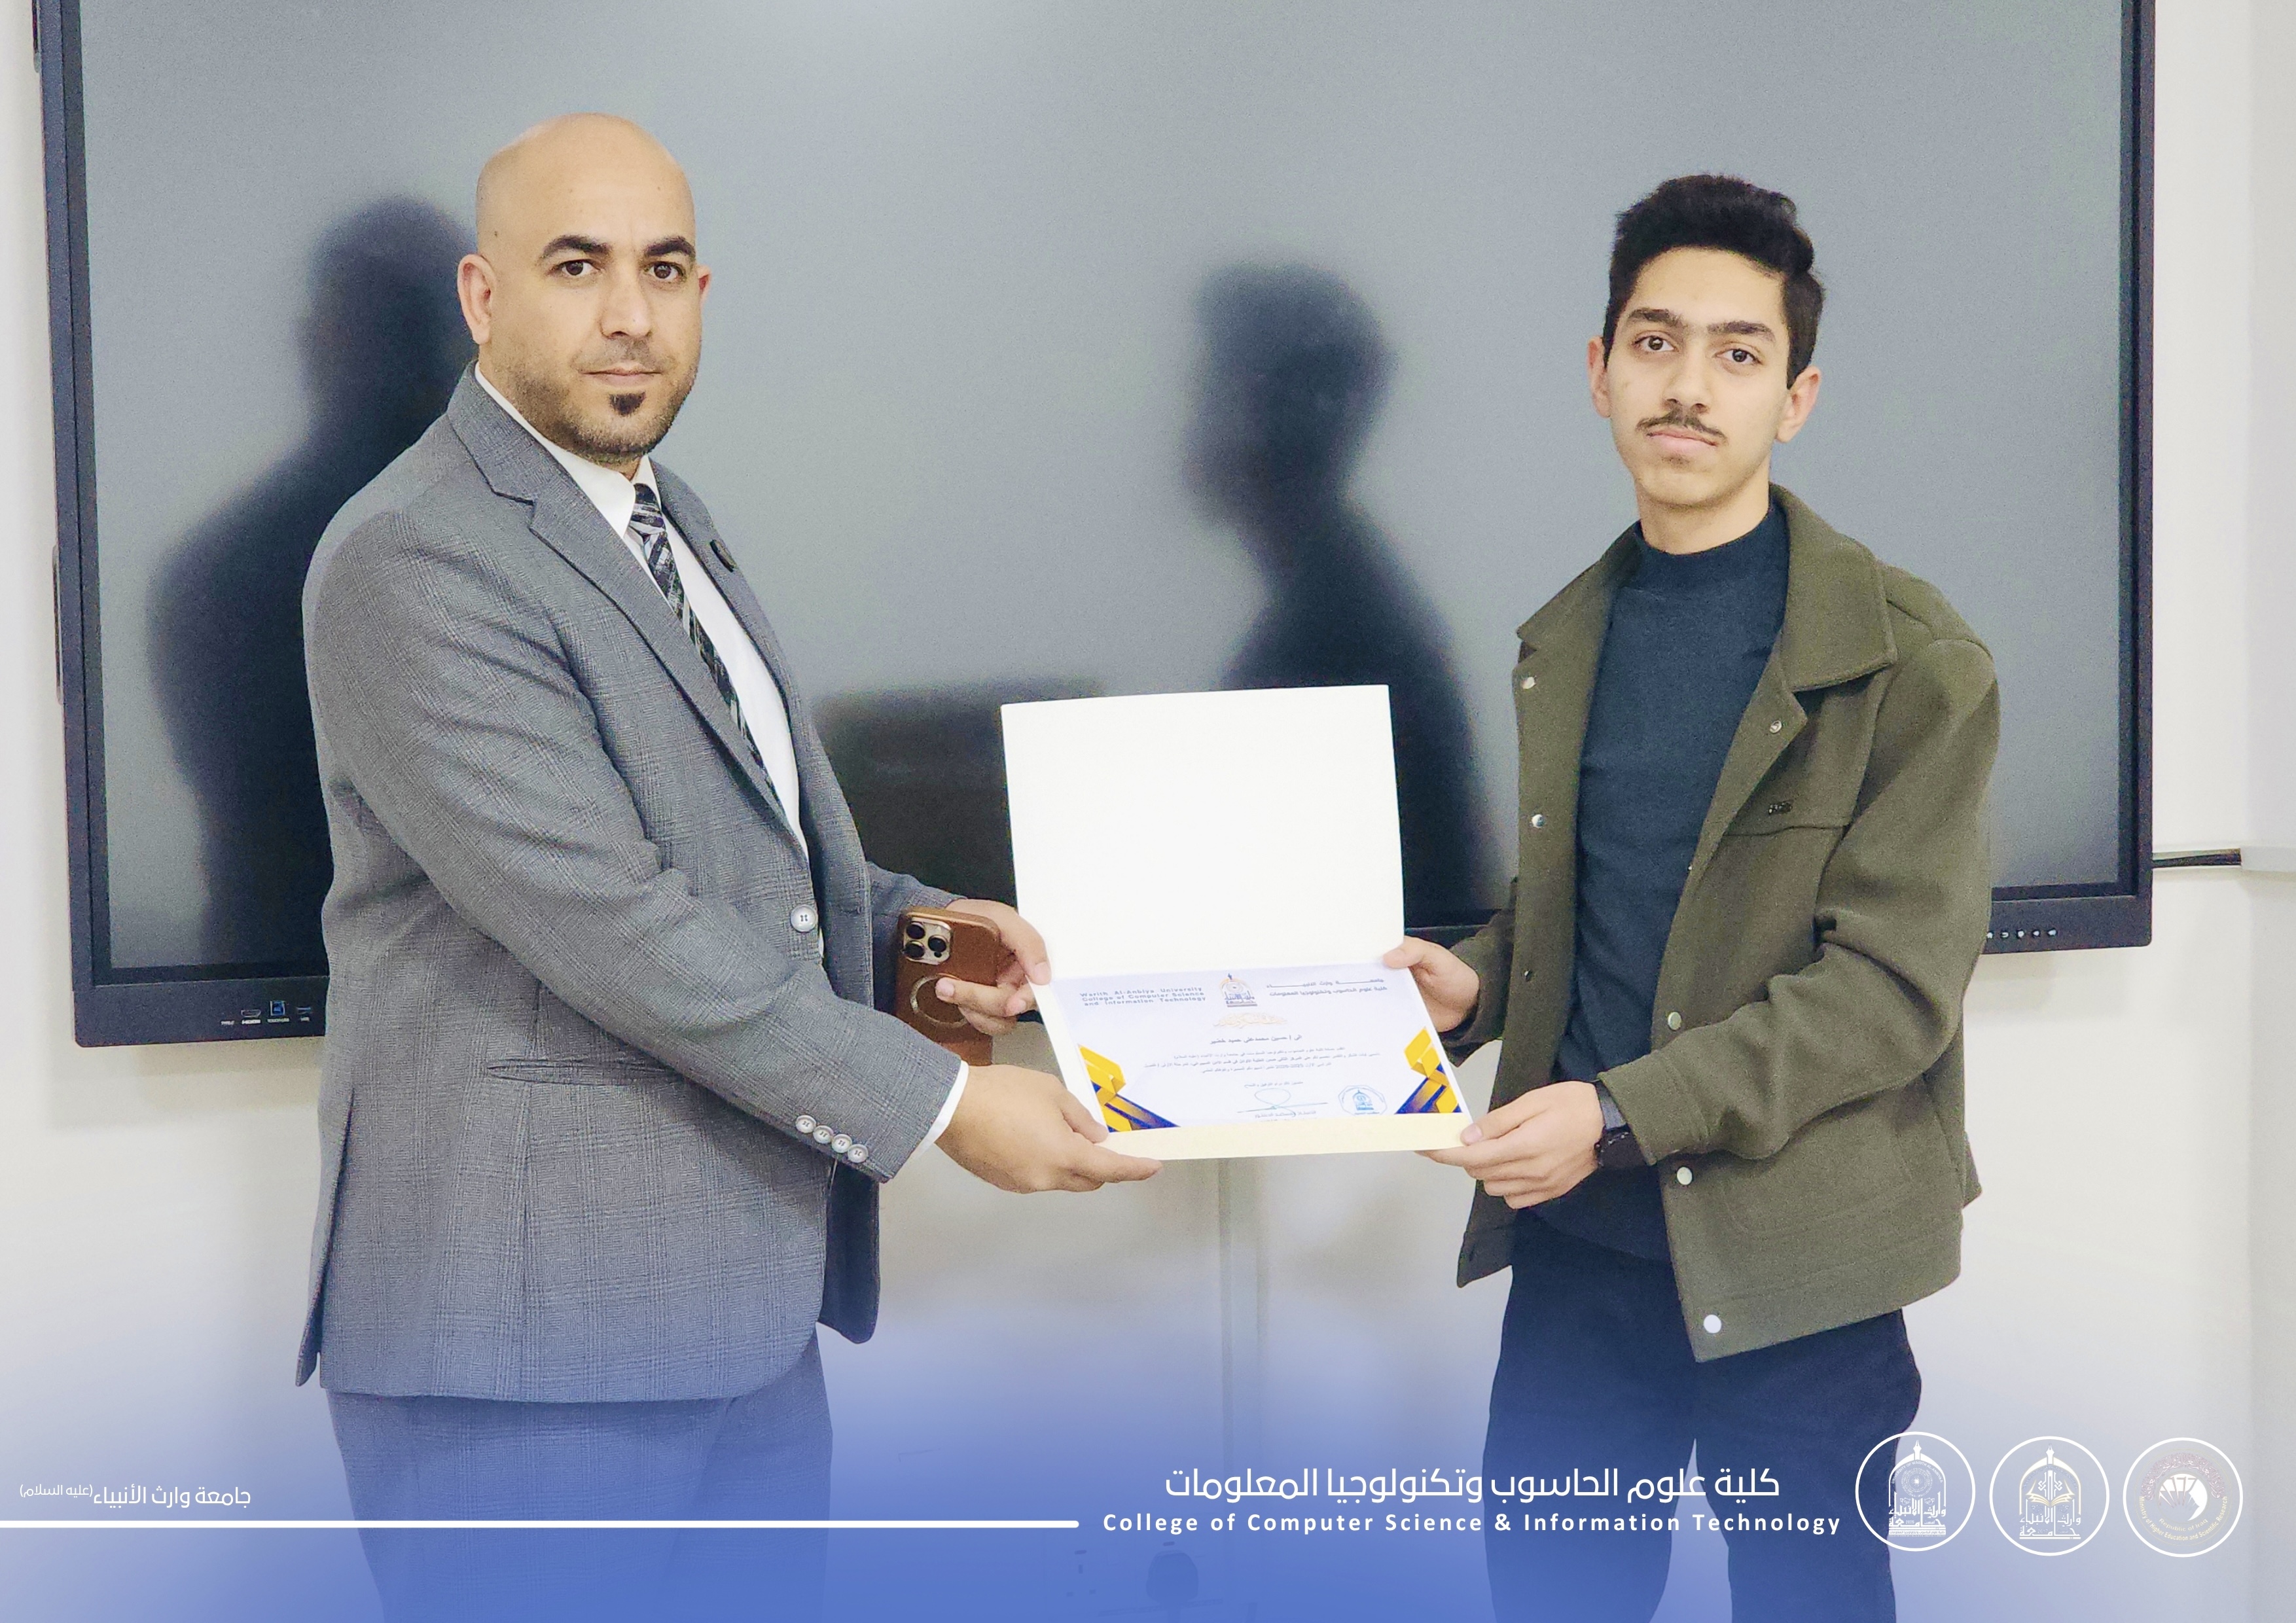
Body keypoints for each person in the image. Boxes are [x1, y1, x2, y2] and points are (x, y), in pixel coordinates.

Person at [297, 114, 1157, 1622]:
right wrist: (943, 1106)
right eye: (578, 266)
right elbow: (614, 917)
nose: (630, 313)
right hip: (528, 1359)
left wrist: (920, 938)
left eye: (665, 268)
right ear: (483, 297)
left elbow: (738, 849)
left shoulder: (663, 516)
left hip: (740, 1323)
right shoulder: (416, 555)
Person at [1386, 175, 1998, 1621]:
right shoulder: (1568, 633)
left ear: (1796, 399)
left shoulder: (1914, 658)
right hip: (1578, 1265)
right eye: (1655, 343)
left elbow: (1888, 994)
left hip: (1802, 1276)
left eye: (1738, 352)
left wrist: (1613, 1113)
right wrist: (1478, 981)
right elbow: (1605, 894)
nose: (1688, 385)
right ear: (1600, 372)